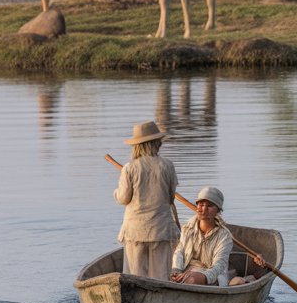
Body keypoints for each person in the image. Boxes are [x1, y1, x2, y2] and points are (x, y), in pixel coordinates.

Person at [113, 120, 180, 280]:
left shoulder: (130, 168)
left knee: (135, 277)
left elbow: (123, 198)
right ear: (156, 143)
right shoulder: (167, 166)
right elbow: (171, 197)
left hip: (135, 231)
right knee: (160, 277)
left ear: (136, 146)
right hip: (161, 229)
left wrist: (115, 193)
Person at [170, 185, 267, 286]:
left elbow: (218, 266)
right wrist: (176, 270)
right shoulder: (187, 229)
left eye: (209, 206)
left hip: (213, 275)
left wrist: (196, 275)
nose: (203, 209)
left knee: (192, 280)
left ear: (218, 211)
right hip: (187, 271)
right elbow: (179, 252)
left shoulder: (224, 236)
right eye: (201, 204)